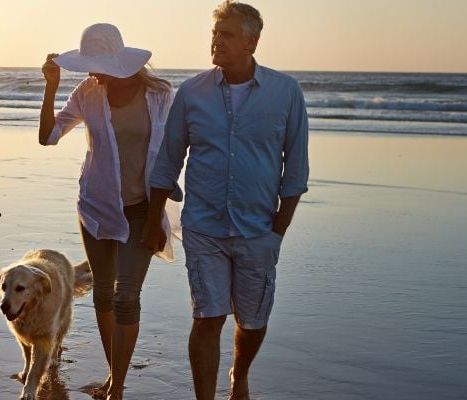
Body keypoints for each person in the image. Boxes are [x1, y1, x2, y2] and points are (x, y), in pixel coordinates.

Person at [141, 2, 309, 399]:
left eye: (227, 34)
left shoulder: (286, 93)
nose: (216, 40)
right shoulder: (192, 92)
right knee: (207, 317)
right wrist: (153, 222)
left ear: (251, 42)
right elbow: (167, 162)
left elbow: (296, 171)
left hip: (258, 229)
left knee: (252, 321)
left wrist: (277, 232)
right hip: (204, 227)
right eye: (215, 33)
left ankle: (240, 375)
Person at [38, 22, 178, 400]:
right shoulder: (88, 92)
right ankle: (114, 377)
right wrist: (51, 86)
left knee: (126, 296)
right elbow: (48, 136)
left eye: (95, 63)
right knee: (103, 293)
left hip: (144, 210)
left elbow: (173, 153)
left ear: (117, 61)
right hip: (97, 207)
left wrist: (158, 216)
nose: (89, 71)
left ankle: (117, 387)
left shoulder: (160, 95)